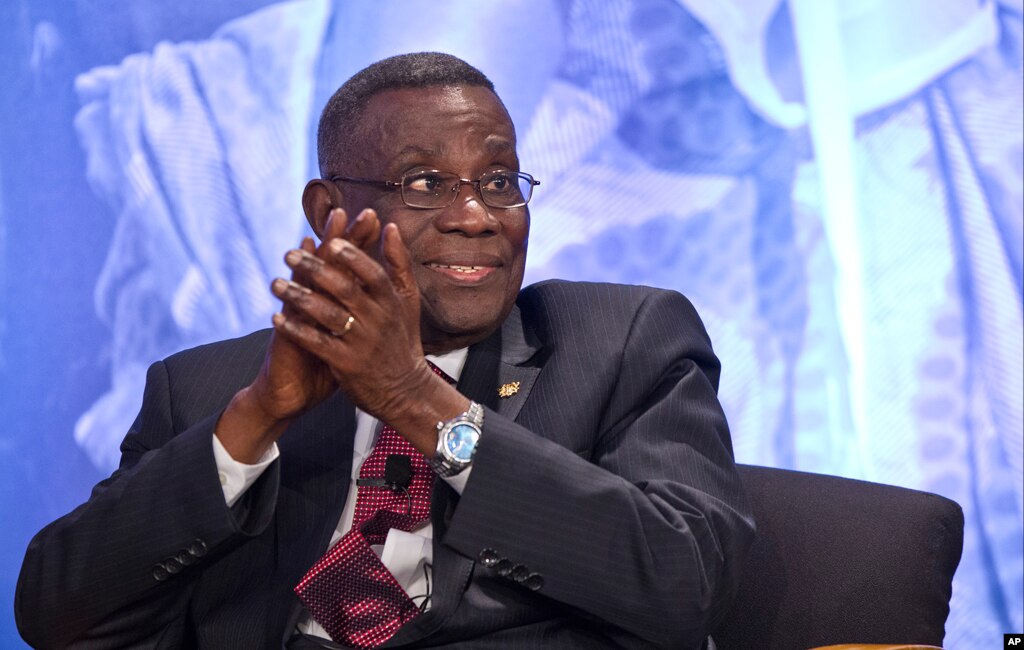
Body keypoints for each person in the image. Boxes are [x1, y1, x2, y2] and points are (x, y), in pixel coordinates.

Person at [16, 52, 754, 649]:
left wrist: (419, 402)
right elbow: (57, 616)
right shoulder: (210, 389)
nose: (476, 216)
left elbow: (683, 583)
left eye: (499, 181)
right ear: (328, 212)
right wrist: (255, 420)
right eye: (426, 183)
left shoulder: (619, 341)